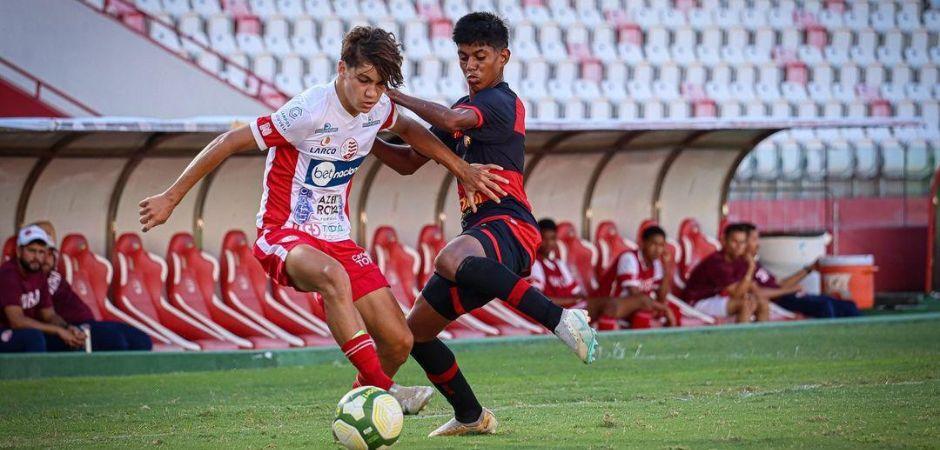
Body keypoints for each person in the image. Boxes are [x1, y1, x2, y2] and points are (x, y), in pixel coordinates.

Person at [138, 27, 507, 413]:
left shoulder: (377, 108)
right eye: (364, 80)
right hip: (284, 233)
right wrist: (171, 197)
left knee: (399, 341)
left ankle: (357, 408)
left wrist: (461, 170)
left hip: (337, 238)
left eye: (380, 85)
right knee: (333, 276)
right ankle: (387, 389)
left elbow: (412, 130)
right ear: (342, 68)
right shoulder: (309, 109)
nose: (371, 93)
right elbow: (228, 141)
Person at [371, 12, 598, 437]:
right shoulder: (460, 110)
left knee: (449, 257)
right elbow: (406, 163)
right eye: (463, 57)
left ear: (503, 57)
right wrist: (364, 138)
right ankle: (471, 416)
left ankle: (561, 318)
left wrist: (392, 97)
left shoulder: (500, 102)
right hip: (481, 235)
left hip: (511, 226)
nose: (471, 66)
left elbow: (452, 122)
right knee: (414, 333)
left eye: (480, 56)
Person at [31, 221, 152, 351]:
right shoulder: (30, 277)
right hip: (72, 326)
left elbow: (49, 231)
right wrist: (65, 328)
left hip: (89, 322)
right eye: (39, 251)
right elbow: (44, 316)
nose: (46, 257)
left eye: (50, 252)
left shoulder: (52, 269)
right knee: (116, 341)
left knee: (142, 340)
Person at [743, 223, 860, 318]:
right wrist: (789, 290)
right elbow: (758, 293)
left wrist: (809, 269)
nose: (758, 244)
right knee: (824, 306)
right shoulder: (745, 266)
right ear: (744, 242)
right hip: (782, 300)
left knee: (848, 305)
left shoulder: (756, 263)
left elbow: (779, 284)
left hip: (789, 295)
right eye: (754, 239)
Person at [0, 225, 86, 352]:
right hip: (5, 332)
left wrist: (67, 328)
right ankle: (34, 373)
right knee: (33, 338)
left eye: (41, 252)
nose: (36, 257)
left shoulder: (38, 274)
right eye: (31, 251)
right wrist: (58, 330)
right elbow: (17, 321)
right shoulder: (8, 274)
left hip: (24, 333)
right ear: (19, 251)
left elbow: (49, 315)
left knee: (70, 340)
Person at [681, 223, 768, 323]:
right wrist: (751, 268)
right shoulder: (717, 262)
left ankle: (761, 337)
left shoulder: (739, 259)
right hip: (696, 302)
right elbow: (737, 293)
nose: (739, 246)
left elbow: (745, 288)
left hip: (716, 298)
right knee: (744, 305)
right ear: (724, 241)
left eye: (742, 242)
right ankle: (743, 338)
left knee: (762, 303)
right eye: (734, 241)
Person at [595, 225, 677, 330]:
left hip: (630, 309)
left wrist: (667, 269)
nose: (657, 249)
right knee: (644, 314)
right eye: (653, 244)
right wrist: (665, 309)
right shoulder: (629, 258)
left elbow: (661, 297)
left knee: (668, 312)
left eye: (661, 245)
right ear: (643, 243)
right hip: (608, 305)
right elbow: (636, 297)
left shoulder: (656, 264)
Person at [527, 219, 585, 307]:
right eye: (544, 239)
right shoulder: (535, 263)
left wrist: (576, 300)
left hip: (573, 310)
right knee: (607, 305)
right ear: (537, 239)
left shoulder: (559, 264)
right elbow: (538, 299)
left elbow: (577, 293)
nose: (549, 243)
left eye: (552, 238)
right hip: (556, 314)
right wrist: (571, 301)